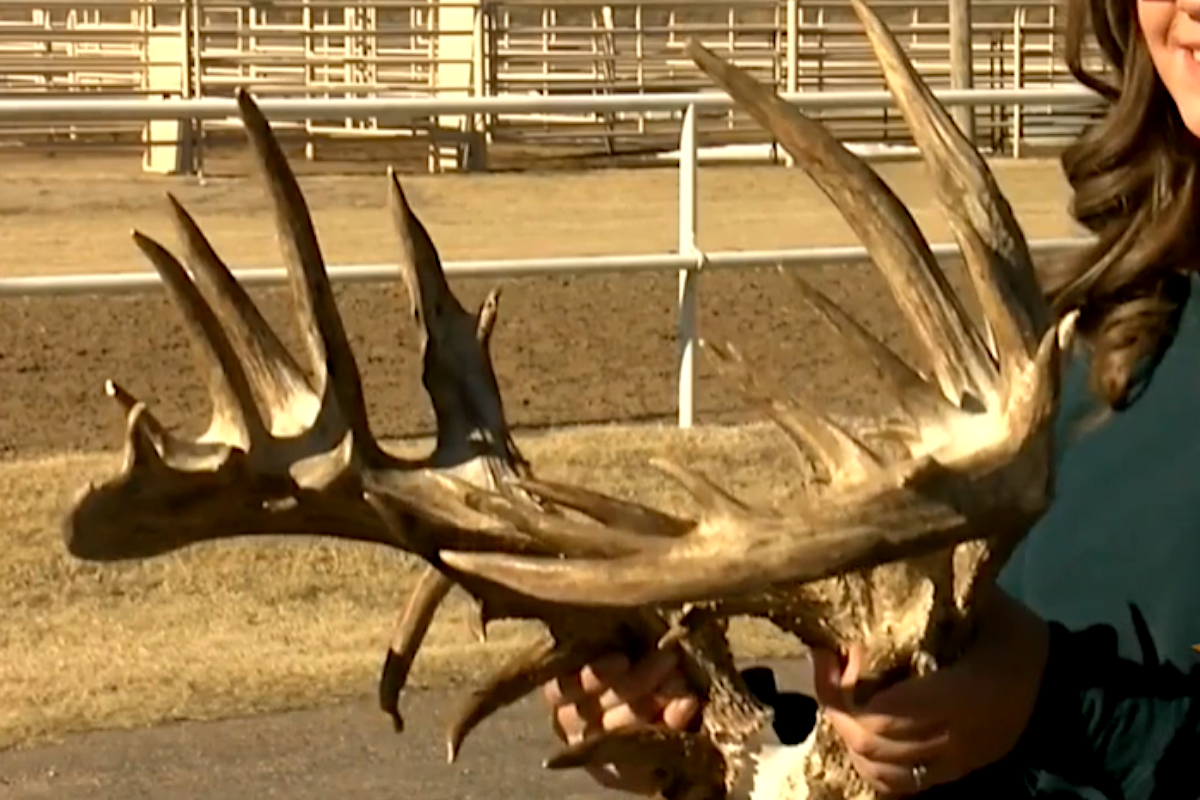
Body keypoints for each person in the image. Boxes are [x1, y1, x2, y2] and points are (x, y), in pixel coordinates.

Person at [539, 1, 1200, 797]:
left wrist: (1059, 704)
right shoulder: (1096, 348)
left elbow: (1048, 713)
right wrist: (715, 737)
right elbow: (978, 745)